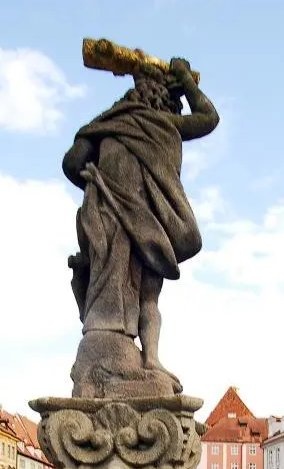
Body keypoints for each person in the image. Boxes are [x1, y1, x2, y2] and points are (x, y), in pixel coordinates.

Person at [62, 57, 219, 394]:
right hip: (148, 220)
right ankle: (148, 360)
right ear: (166, 100)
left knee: (106, 280)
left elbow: (72, 162)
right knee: (149, 291)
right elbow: (209, 118)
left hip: (106, 214)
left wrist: (97, 181)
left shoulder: (106, 124)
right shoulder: (165, 123)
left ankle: (121, 355)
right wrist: (186, 79)